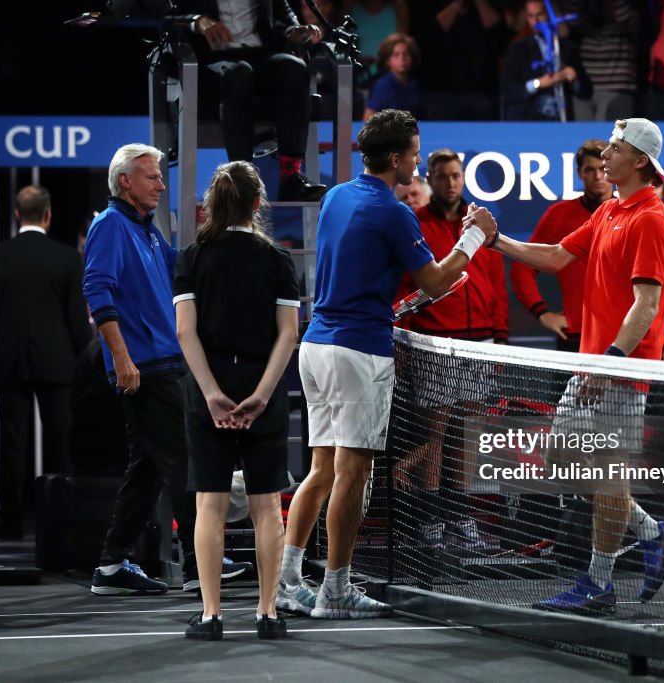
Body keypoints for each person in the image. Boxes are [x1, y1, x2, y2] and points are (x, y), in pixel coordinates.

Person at [277, 109, 498, 619]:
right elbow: (437, 284)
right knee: (353, 475)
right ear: (395, 157)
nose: (419, 165)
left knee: (322, 470)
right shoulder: (395, 212)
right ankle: (334, 591)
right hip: (357, 351)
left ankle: (290, 580)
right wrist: (474, 237)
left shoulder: (336, 195)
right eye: (416, 156)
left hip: (318, 347)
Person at [490, 118, 664, 614]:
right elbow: (553, 257)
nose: (606, 157)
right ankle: (651, 529)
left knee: (609, 475)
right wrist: (496, 240)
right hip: (590, 364)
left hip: (619, 369)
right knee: (561, 460)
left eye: (615, 149)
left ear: (639, 161)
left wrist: (610, 363)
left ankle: (599, 584)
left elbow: (647, 305)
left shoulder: (652, 219)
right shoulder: (612, 210)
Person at [174, 161, 299, 640]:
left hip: (208, 390)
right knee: (268, 505)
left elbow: (186, 332)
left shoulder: (192, 256)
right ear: (256, 203)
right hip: (259, 386)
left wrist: (211, 394)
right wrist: (261, 396)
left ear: (212, 204)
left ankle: (210, 616)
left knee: (210, 503)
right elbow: (287, 336)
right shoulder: (277, 259)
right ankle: (268, 613)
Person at [390, 148, 509, 549]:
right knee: (435, 435)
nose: (451, 182)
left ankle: (460, 517)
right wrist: (403, 337)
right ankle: (430, 521)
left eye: (456, 175)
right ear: (430, 180)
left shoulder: (481, 224)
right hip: (435, 344)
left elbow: (497, 284)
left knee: (467, 435)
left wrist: (501, 341)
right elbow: (405, 287)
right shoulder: (415, 224)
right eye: (442, 176)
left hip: (480, 345)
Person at [84, 143, 188, 595]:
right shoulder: (109, 226)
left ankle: (112, 563)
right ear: (125, 181)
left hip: (163, 361)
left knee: (147, 467)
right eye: (153, 177)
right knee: (185, 459)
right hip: (144, 366)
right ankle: (207, 555)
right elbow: (97, 291)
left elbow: (179, 268)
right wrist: (122, 359)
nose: (161, 186)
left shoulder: (146, 229)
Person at [0, 185, 92, 539]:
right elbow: (77, 320)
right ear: (47, 214)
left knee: (13, 445)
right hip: (58, 365)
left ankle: (11, 523)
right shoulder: (68, 259)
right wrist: (86, 364)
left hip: (8, 363)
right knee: (61, 444)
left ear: (17, 214)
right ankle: (62, 525)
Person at [183, 0, 327, 201]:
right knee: (240, 74)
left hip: (260, 54)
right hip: (214, 59)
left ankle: (291, 178)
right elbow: (169, 19)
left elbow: (282, 12)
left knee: (294, 68)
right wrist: (197, 21)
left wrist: (293, 30)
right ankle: (243, 180)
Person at [511, 139, 612, 353]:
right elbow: (522, 267)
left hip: (623, 335)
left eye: (603, 169)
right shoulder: (559, 216)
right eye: (590, 170)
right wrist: (542, 312)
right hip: (575, 337)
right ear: (579, 174)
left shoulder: (632, 213)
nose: (598, 176)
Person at [501, 0, 578, 121]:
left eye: (540, 14)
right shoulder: (518, 49)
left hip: (562, 122)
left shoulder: (566, 48)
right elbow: (508, 90)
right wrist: (538, 83)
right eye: (531, 16)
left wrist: (574, 78)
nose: (535, 21)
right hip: (530, 122)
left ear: (550, 15)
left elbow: (585, 91)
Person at [363, 33, 421, 120]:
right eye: (396, 55)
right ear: (387, 60)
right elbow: (367, 119)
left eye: (406, 54)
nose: (402, 59)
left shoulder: (413, 84)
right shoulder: (383, 85)